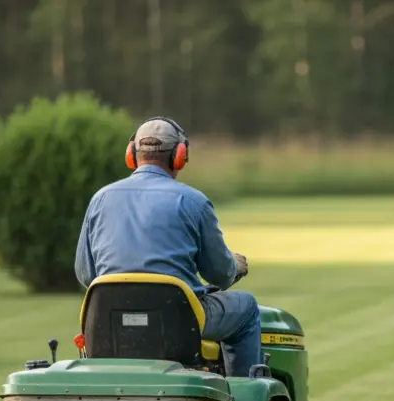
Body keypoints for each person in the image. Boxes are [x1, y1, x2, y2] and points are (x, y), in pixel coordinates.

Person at [74, 116, 262, 377]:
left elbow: (85, 274)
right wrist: (234, 265)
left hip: (109, 319)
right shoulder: (194, 202)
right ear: (179, 156)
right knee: (247, 308)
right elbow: (219, 274)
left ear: (131, 154)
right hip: (179, 320)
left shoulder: (100, 199)